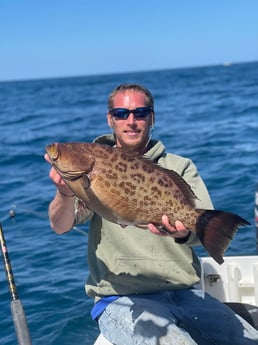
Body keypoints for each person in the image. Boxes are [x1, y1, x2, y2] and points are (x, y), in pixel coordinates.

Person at [45, 83, 258, 344]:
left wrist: (182, 232)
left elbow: (201, 231)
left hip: (185, 293)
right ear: (110, 119)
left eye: (140, 113)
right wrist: (65, 193)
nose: (131, 121)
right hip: (121, 300)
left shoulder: (179, 166)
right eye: (122, 113)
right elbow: (61, 225)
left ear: (152, 117)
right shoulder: (90, 171)